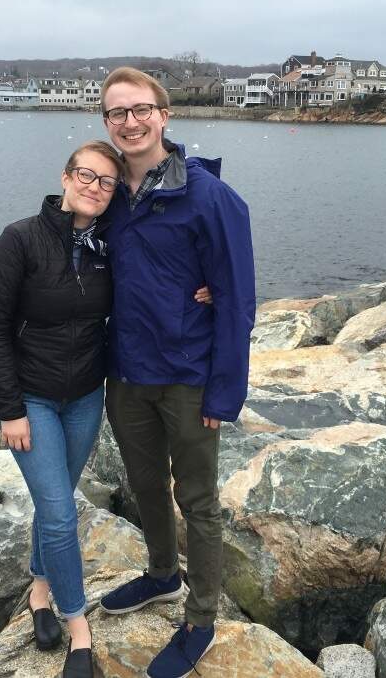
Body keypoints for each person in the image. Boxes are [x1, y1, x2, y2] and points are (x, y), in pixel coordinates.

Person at [0, 140, 212, 678]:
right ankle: (78, 629)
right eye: (87, 175)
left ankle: (40, 592)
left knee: (52, 504)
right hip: (31, 399)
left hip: (85, 397)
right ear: (65, 176)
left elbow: (160, 260)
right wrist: (8, 408)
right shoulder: (18, 242)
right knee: (60, 514)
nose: (96, 187)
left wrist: (209, 288)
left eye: (107, 182)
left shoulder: (108, 241)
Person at [95, 67, 256, 678]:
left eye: (141, 110)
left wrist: (225, 390)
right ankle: (162, 574)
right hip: (127, 375)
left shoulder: (209, 198)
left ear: (165, 115)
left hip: (189, 377)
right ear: (106, 123)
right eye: (117, 114)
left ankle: (201, 616)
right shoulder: (108, 194)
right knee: (143, 486)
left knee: (199, 500)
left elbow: (237, 299)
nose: (130, 123)